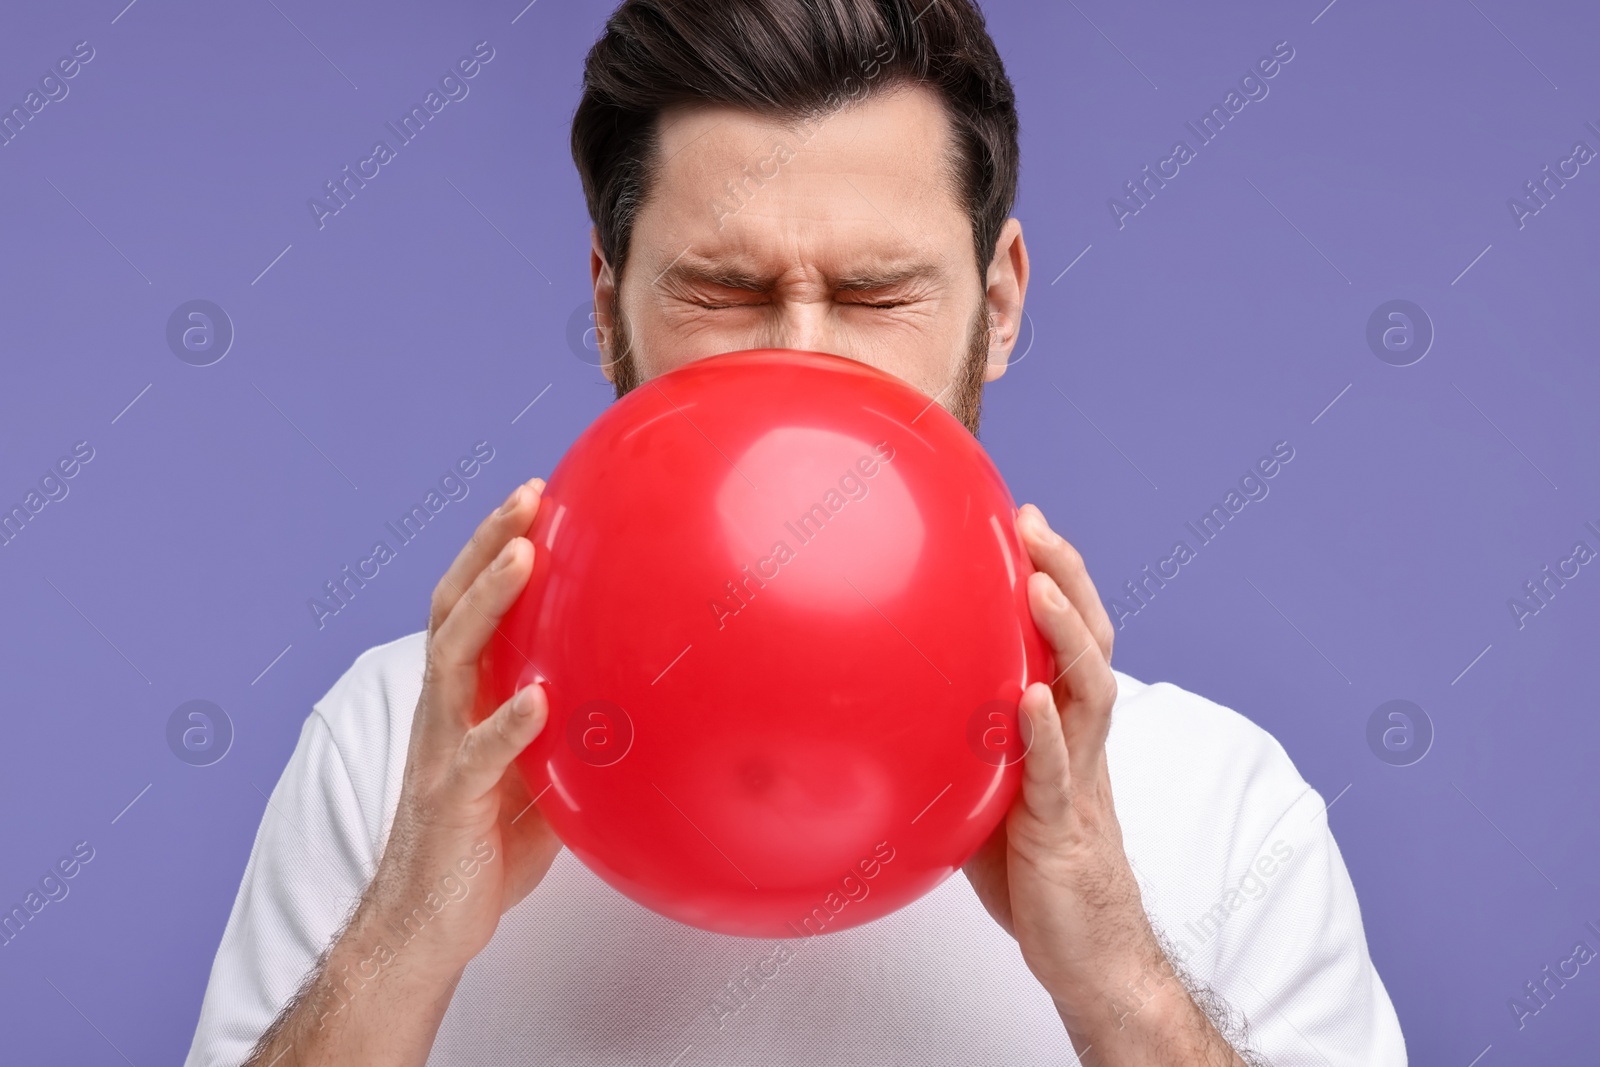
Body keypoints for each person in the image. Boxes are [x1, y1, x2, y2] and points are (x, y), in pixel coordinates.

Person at [185, 0, 1406, 1063]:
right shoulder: (395, 746)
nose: (800, 365)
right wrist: (404, 927)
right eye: (723, 292)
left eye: (877, 296)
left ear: (998, 305)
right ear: (611, 311)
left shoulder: (1226, 800)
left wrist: (1122, 980)